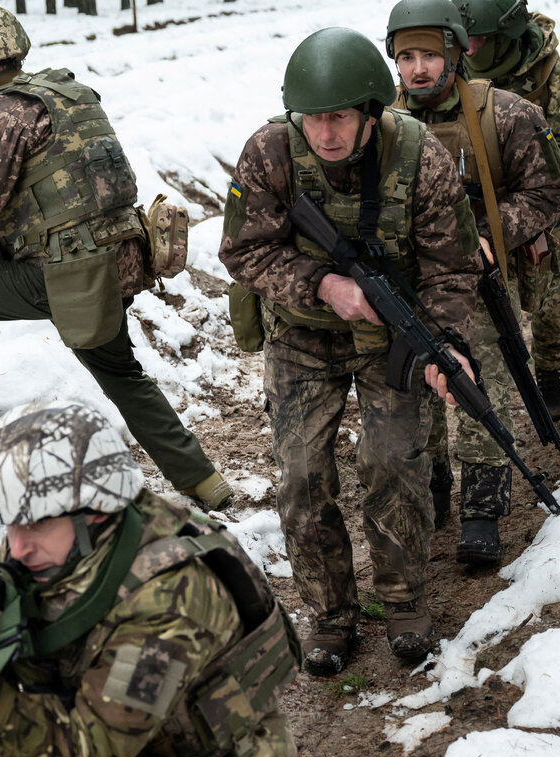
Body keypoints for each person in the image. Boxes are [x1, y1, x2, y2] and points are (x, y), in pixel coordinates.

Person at [0, 3, 230, 510]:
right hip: (116, 263)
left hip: (66, 274)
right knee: (122, 373)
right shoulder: (63, 93)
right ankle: (205, 482)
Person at [219, 27, 480, 675]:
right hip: (302, 334)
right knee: (303, 475)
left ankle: (404, 602)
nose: (325, 133)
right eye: (313, 119)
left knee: (393, 463)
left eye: (339, 118)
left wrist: (446, 343)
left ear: (370, 111)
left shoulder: (420, 156)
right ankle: (330, 613)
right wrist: (320, 283)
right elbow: (243, 250)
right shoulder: (270, 152)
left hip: (391, 334)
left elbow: (452, 267)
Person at [0, 400, 302, 757]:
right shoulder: (53, 552)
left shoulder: (169, 600)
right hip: (140, 750)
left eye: (38, 523)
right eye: (11, 523)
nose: (18, 546)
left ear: (96, 510)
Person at [386, 0, 560, 565]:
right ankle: (435, 486)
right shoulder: (378, 124)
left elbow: (549, 192)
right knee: (414, 389)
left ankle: (483, 508)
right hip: (409, 284)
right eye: (405, 56)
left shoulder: (507, 114)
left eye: (429, 55)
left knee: (481, 386)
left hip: (482, 281)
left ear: (457, 51)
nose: (417, 69)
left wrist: (491, 232)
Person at [459, 0, 560, 420]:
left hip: (551, 203)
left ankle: (549, 366)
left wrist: (531, 159)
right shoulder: (452, 74)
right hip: (483, 206)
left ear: (502, 36)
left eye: (474, 41)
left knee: (557, 300)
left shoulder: (551, 75)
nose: (464, 49)